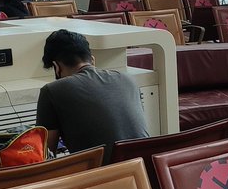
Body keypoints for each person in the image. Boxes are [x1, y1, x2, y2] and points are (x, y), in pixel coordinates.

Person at [36, 29, 148, 160]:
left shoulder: (51, 90)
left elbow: (45, 155)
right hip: (144, 170)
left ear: (56, 67)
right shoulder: (128, 80)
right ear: (92, 60)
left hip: (103, 176)